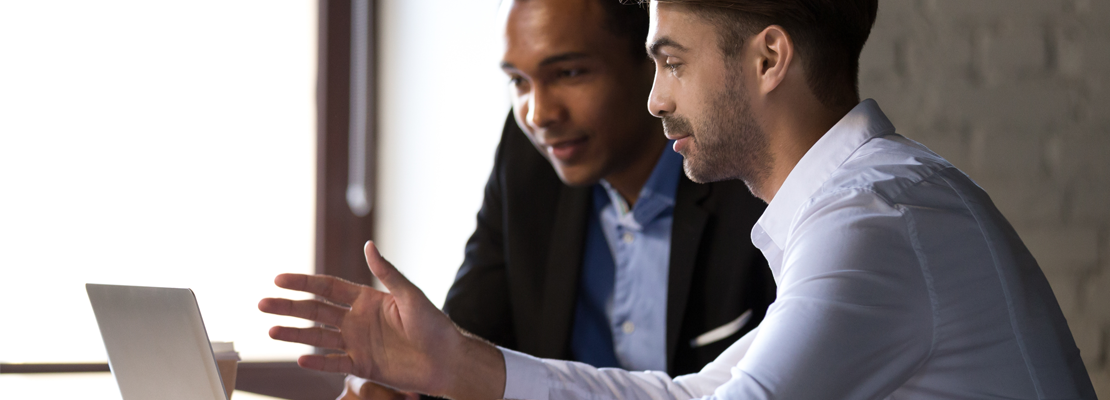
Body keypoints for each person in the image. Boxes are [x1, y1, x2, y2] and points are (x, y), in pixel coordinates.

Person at [260, 0, 1098, 398]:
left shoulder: (877, 220)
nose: (658, 99)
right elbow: (688, 394)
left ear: (768, 60)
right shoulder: (859, 207)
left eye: (673, 62)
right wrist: (452, 363)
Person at [337, 0, 774, 398]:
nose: (538, 114)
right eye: (518, 82)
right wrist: (402, 385)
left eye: (569, 73)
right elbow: (466, 338)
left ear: (655, 64)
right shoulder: (528, 160)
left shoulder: (747, 177)